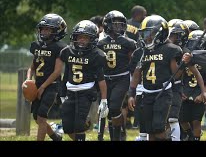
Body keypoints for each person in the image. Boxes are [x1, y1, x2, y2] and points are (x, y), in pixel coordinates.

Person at [49, 20, 108, 141]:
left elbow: (101, 79)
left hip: (85, 92)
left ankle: (84, 124)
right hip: (71, 91)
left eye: (85, 38)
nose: (81, 40)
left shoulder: (97, 55)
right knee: (68, 127)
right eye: (79, 37)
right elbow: (67, 74)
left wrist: (104, 100)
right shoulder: (67, 51)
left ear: (93, 39)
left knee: (79, 125)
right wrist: (62, 93)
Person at [127, 15, 182, 141]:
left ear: (161, 33)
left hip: (163, 92)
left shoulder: (170, 49)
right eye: (145, 34)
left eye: (150, 33)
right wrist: (131, 93)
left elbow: (176, 75)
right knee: (150, 130)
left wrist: (182, 65)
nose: (147, 37)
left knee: (158, 127)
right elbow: (136, 74)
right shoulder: (141, 51)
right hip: (147, 93)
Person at [23, 13, 67, 141]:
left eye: (48, 29)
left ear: (57, 31)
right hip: (38, 85)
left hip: (51, 86)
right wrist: (28, 79)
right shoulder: (37, 46)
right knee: (37, 118)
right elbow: (32, 67)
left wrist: (42, 87)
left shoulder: (59, 48)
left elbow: (57, 71)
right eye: (43, 29)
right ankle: (55, 137)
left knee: (42, 117)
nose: (44, 32)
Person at [97, 10, 136, 141]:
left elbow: (133, 62)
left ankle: (119, 133)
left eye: (120, 24)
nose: (118, 27)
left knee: (114, 107)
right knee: (106, 109)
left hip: (122, 77)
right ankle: (113, 134)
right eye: (115, 25)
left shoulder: (129, 42)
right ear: (108, 25)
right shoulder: (100, 43)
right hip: (106, 79)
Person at [167, 21, 206, 141]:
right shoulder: (168, 49)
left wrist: (203, 92)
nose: (171, 38)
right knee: (178, 119)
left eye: (174, 35)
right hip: (169, 86)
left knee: (176, 118)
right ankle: (188, 134)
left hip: (179, 88)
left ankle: (189, 137)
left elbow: (195, 73)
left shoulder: (185, 53)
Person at [179, 30, 206, 141]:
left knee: (196, 120)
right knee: (182, 119)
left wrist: (204, 93)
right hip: (186, 89)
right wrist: (181, 90)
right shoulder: (186, 56)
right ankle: (190, 134)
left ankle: (195, 138)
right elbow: (181, 75)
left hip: (199, 91)